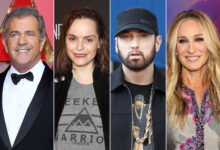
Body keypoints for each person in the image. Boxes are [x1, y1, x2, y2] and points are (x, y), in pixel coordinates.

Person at [55, 7, 109, 150]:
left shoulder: (113, 88)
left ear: (99, 42)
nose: (79, 47)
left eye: (88, 40)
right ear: (64, 41)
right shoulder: (52, 87)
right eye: (72, 39)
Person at [111, 8, 165, 150]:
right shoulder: (99, 92)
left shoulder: (176, 93)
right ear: (116, 45)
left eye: (143, 35)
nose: (134, 44)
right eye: (126, 36)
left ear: (158, 43)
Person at [0, 6, 53, 150]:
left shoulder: (63, 88)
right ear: (5, 43)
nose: (22, 41)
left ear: (42, 42)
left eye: (30, 34)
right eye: (14, 34)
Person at [167, 10, 220, 150]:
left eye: (199, 39)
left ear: (210, 42)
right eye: (183, 41)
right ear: (175, 48)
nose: (191, 49)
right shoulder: (161, 95)